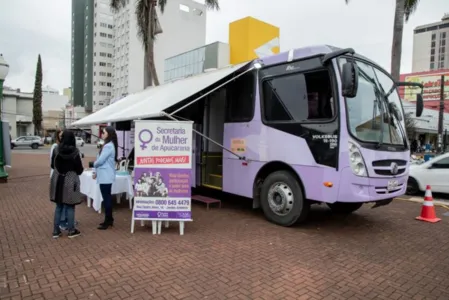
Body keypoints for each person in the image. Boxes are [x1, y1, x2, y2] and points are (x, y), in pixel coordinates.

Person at [50, 130, 84, 239]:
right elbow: (79, 170)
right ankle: (71, 230)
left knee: (59, 205)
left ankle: (56, 231)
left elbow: (52, 165)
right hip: (70, 180)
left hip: (58, 179)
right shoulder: (75, 152)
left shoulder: (56, 149)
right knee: (70, 206)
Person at [93, 126, 118, 230]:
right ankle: (109, 219)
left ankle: (108, 220)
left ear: (108, 134)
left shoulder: (108, 146)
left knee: (106, 198)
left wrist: (94, 164)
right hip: (105, 175)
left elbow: (100, 160)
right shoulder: (109, 145)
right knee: (107, 197)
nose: (102, 134)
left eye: (103, 132)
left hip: (105, 176)